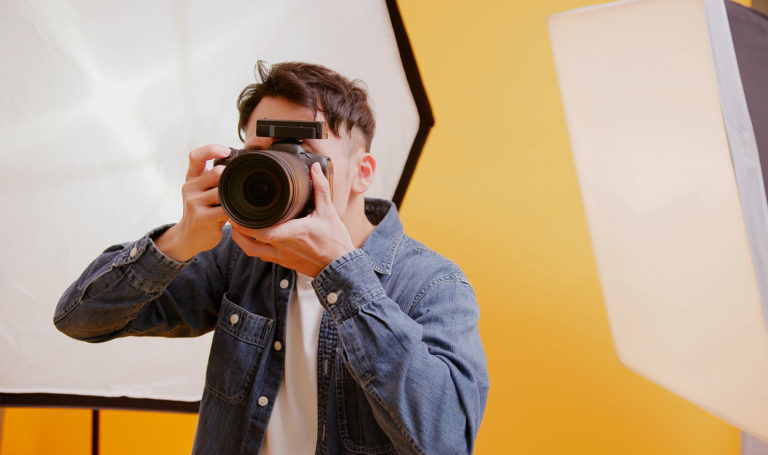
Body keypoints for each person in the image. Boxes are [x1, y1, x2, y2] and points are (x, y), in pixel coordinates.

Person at [55, 61, 489, 455]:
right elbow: (80, 318)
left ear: (362, 172)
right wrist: (181, 239)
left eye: (300, 150)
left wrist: (339, 274)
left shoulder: (432, 283)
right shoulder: (239, 258)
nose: (279, 167)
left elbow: (445, 442)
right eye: (263, 153)